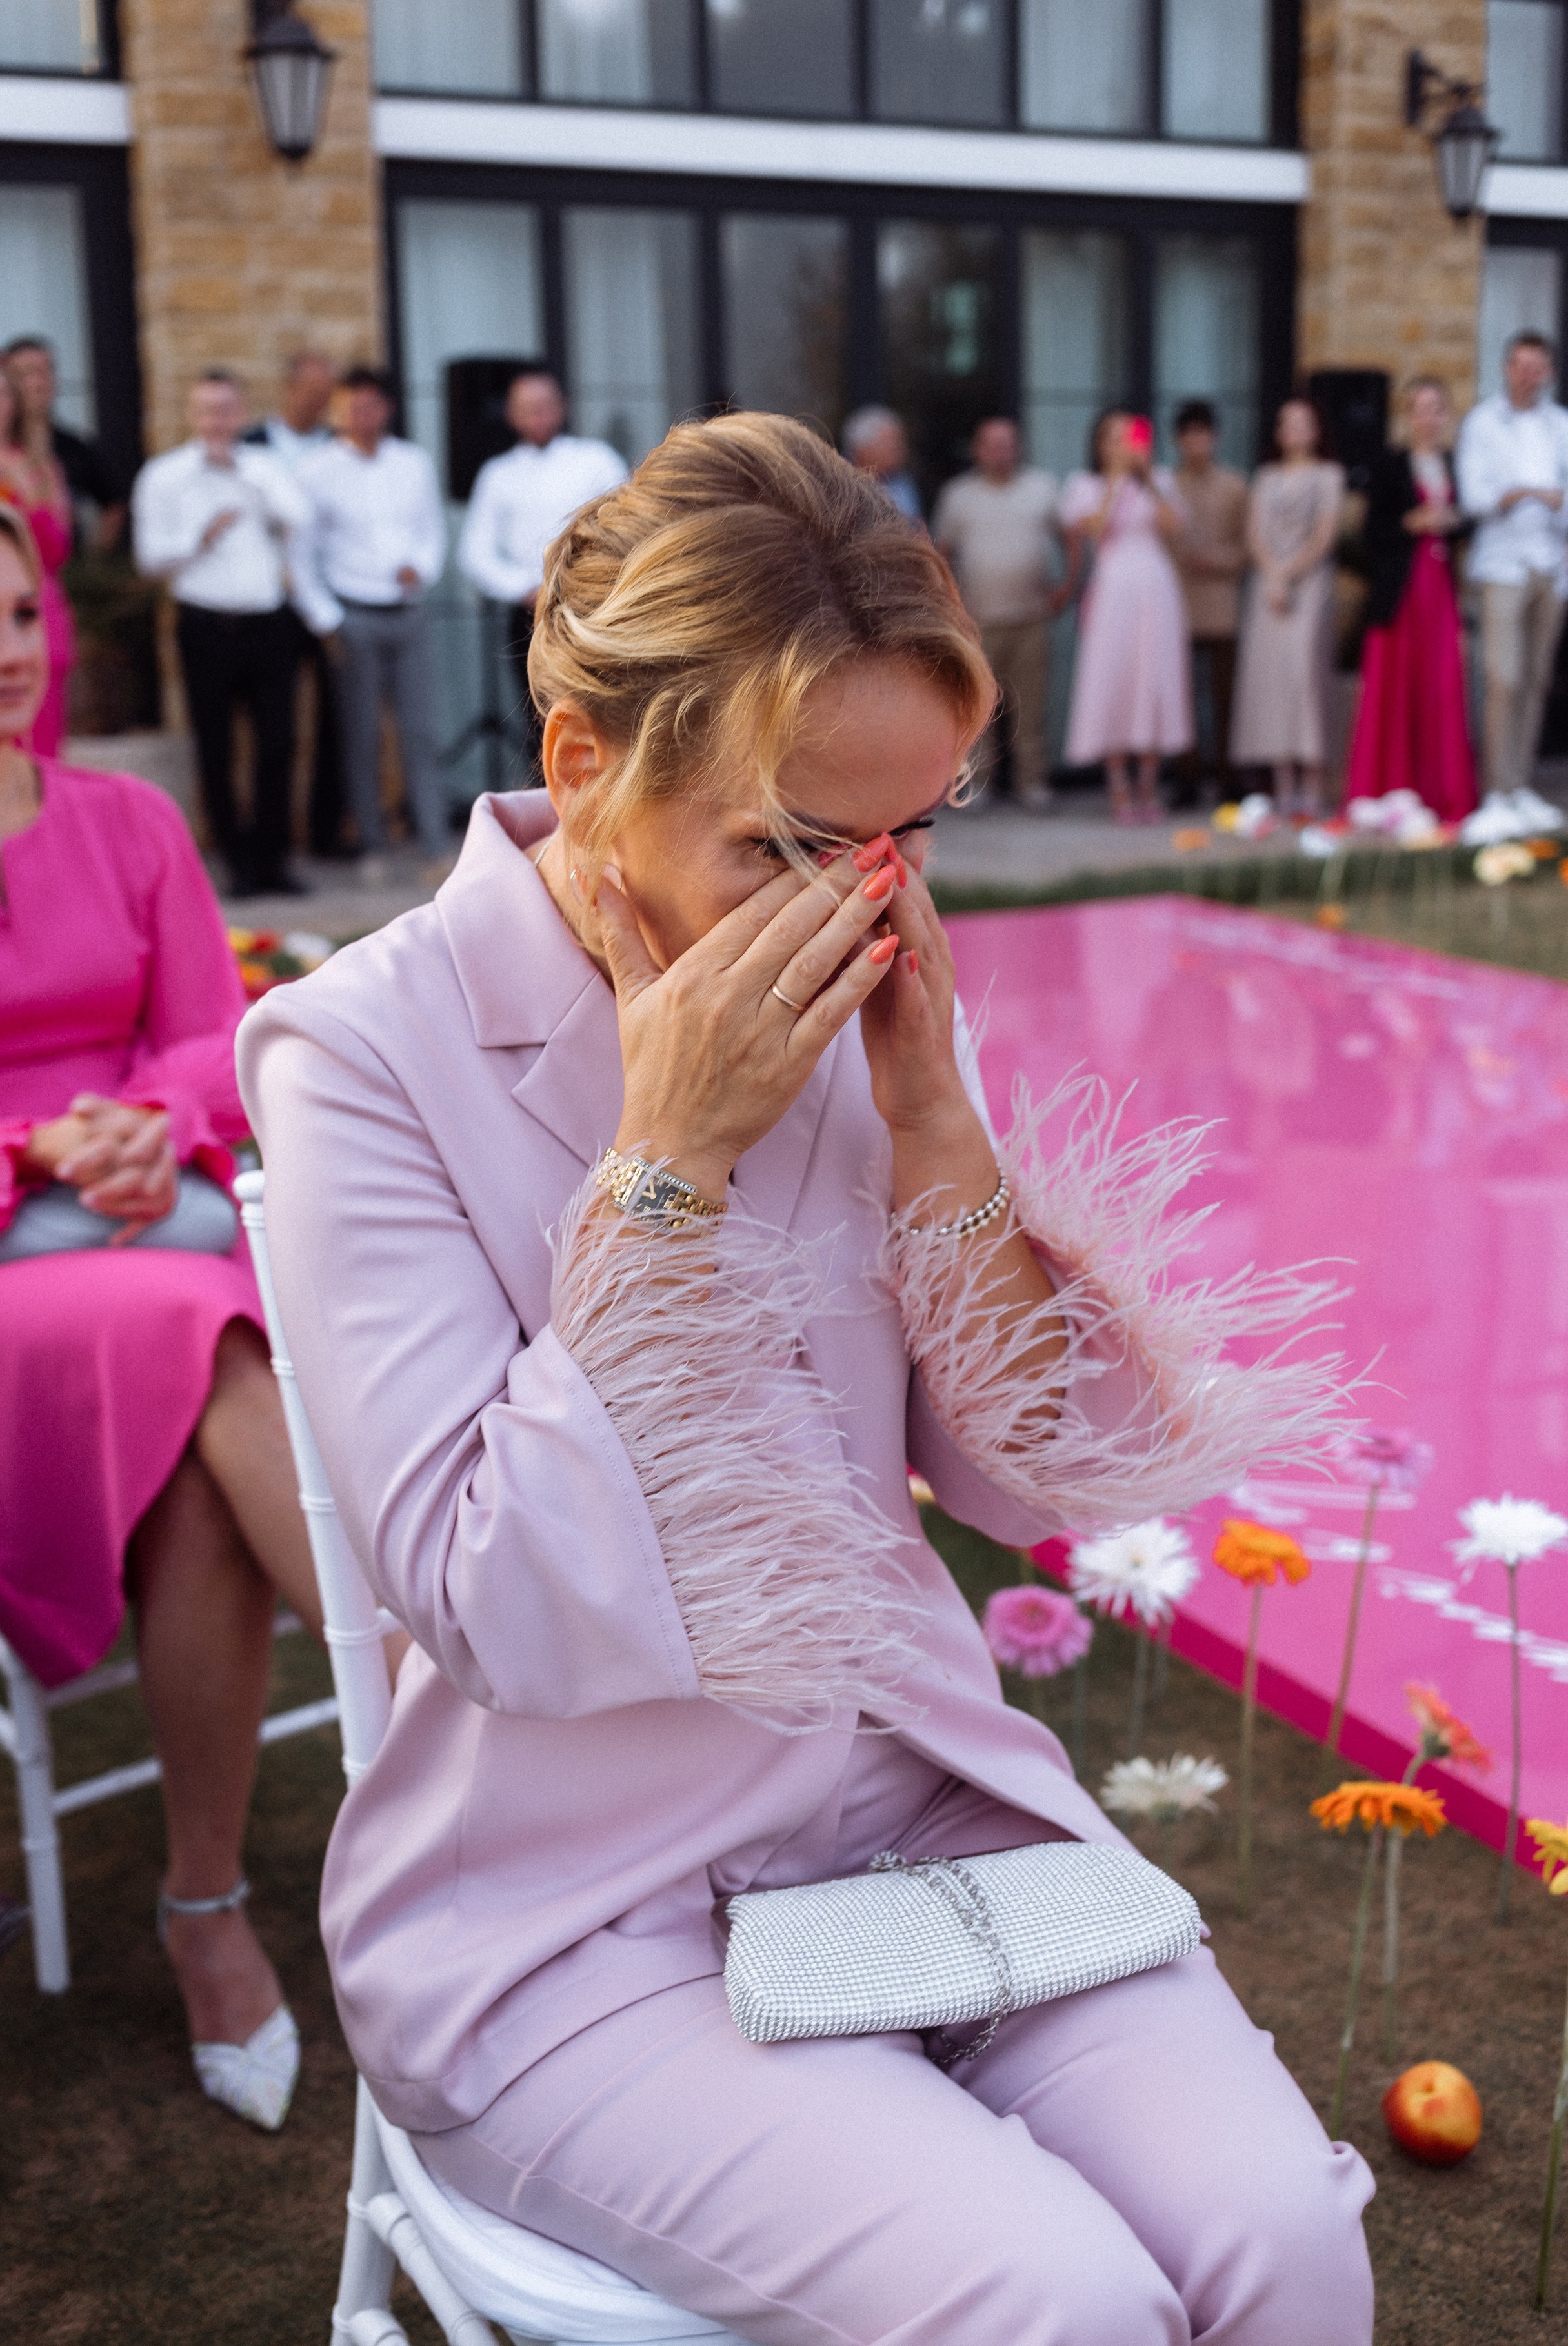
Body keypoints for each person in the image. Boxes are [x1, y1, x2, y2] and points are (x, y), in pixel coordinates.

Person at [241, 412, 1371, 2346]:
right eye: (787, 839)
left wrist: (933, 1118)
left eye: (909, 831)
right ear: (585, 763)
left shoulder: (865, 991)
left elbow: (1042, 1479)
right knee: (1065, 2306)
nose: (861, 901)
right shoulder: (362, 1050)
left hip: (908, 1800)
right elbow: (490, 1589)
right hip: (566, 1900)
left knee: (1288, 2245)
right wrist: (662, 1169)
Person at [0, 474, 323, 2130]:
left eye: (24, 612)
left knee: (198, 1459)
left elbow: (205, 1036)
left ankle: (205, 1900)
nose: (12, 647)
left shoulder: (128, 822)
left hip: (160, 1226)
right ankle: (477, 1754)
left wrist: (153, 1125)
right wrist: (26, 1149)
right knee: (201, 1331)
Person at [132, 368, 310, 899]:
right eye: (207, 410)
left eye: (226, 410)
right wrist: (198, 536)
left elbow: (300, 516)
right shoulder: (165, 476)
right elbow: (149, 558)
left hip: (269, 623)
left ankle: (274, 860)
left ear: (240, 412)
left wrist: (245, 477)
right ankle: (235, 863)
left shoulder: (263, 467)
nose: (217, 420)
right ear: (192, 415)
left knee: (278, 743)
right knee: (215, 745)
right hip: (206, 624)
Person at [294, 366, 450, 883]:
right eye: (351, 406)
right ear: (338, 411)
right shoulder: (315, 470)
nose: (361, 415)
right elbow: (302, 553)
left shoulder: (412, 463)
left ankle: (434, 845)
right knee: (360, 737)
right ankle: (373, 846)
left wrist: (422, 569)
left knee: (419, 732)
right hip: (352, 613)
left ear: (386, 409)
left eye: (370, 405)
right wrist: (326, 617)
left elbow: (431, 531)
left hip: (406, 610)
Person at [459, 370, 628, 777]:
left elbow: (627, 526)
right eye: (527, 409)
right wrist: (524, 588)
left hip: (593, 607)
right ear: (512, 416)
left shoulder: (597, 460)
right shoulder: (497, 474)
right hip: (530, 612)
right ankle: (552, 816)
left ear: (563, 408)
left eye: (546, 406)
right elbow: (475, 552)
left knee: (605, 713)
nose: (538, 417)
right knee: (543, 721)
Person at [1348, 377, 1478, 823]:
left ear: (1446, 415)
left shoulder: (1456, 464)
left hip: (1440, 589)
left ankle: (1443, 792)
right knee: (1397, 688)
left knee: (1441, 687)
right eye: (1420, 409)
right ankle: (1391, 791)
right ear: (1408, 417)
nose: (1428, 418)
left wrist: (1453, 521)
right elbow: (1369, 533)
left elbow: (1469, 525)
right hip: (1401, 592)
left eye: (1436, 408)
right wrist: (1411, 522)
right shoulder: (1390, 465)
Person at [1456, 328, 1568, 826]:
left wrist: (1535, 497)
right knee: (1503, 678)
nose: (1529, 374)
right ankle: (1496, 792)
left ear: (1548, 372)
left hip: (1554, 564)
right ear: (1506, 368)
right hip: (1502, 565)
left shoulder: (1562, 425)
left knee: (1538, 681)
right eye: (1520, 365)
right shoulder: (1482, 423)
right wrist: (1528, 491)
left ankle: (1521, 785)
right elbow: (1476, 498)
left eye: (1537, 366)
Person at [243, 351, 351, 861]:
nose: (318, 400)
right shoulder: (252, 446)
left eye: (325, 392)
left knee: (337, 718)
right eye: (310, 390)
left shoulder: (338, 448)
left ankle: (329, 833)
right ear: (288, 389)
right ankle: (272, 841)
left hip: (326, 597)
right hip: (269, 605)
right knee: (275, 730)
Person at [1058, 412, 1191, 823]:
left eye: (1128, 437)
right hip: (1114, 587)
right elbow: (1094, 529)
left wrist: (1146, 476)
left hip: (1155, 587)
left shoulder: (1161, 481)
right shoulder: (1085, 485)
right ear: (1100, 444)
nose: (1123, 445)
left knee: (1152, 678)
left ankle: (1149, 786)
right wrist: (1116, 481)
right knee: (1113, 678)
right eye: (1113, 438)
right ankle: (1119, 789)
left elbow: (1175, 526)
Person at [931, 417, 1067, 810]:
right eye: (991, 444)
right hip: (978, 622)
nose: (1000, 451)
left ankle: (1032, 783)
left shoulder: (1042, 488)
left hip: (1031, 618)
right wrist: (951, 603)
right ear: (977, 450)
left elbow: (1071, 538)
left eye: (1007, 443)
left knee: (1031, 706)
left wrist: (1066, 588)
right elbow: (940, 554)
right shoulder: (958, 495)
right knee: (979, 709)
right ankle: (980, 785)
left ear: (1018, 448)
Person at [0, 351, 76, 761]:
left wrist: (31, 492)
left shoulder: (40, 467)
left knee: (41, 754)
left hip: (35, 618)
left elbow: (58, 551)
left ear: (14, 404)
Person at [1231, 397, 1345, 817]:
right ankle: (1282, 784)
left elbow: (1325, 534)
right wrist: (1273, 576)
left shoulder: (1328, 475)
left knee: (1305, 678)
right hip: (1268, 587)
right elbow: (1253, 534)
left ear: (1317, 430)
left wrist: (1291, 574)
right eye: (1287, 423)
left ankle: (1313, 784)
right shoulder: (1265, 476)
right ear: (1277, 432)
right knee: (1272, 681)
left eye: (1304, 422)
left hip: (1310, 585)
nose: (1295, 430)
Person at [1171, 399, 1250, 804]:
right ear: (1179, 441)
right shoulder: (1167, 486)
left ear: (1215, 439)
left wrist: (1218, 561)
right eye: (1190, 436)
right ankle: (1186, 780)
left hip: (1222, 603)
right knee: (1181, 698)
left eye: (1204, 435)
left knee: (1226, 699)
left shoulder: (1236, 486)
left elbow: (1248, 545)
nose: (1198, 443)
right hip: (1178, 605)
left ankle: (1230, 779)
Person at [3, 334, 126, 552]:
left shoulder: (76, 448)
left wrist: (90, 565)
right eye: (27, 373)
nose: (40, 382)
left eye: (47, 371)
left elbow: (113, 505)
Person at [841, 403, 923, 520]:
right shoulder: (839, 483)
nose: (901, 450)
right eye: (893, 445)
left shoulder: (903, 484)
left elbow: (915, 529)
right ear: (863, 449)